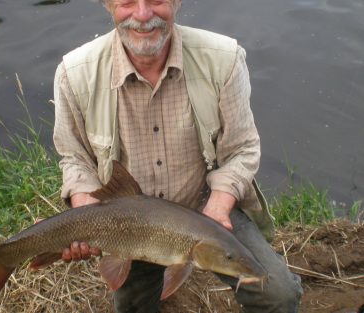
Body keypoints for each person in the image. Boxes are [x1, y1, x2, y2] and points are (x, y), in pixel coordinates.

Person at [52, 0, 303, 312]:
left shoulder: (223, 60)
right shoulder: (74, 75)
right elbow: (75, 158)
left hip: (204, 211)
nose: (142, 15)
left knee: (279, 294)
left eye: (156, 0)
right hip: (126, 219)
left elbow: (243, 149)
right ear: (108, 5)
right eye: (127, 2)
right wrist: (85, 210)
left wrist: (219, 207)